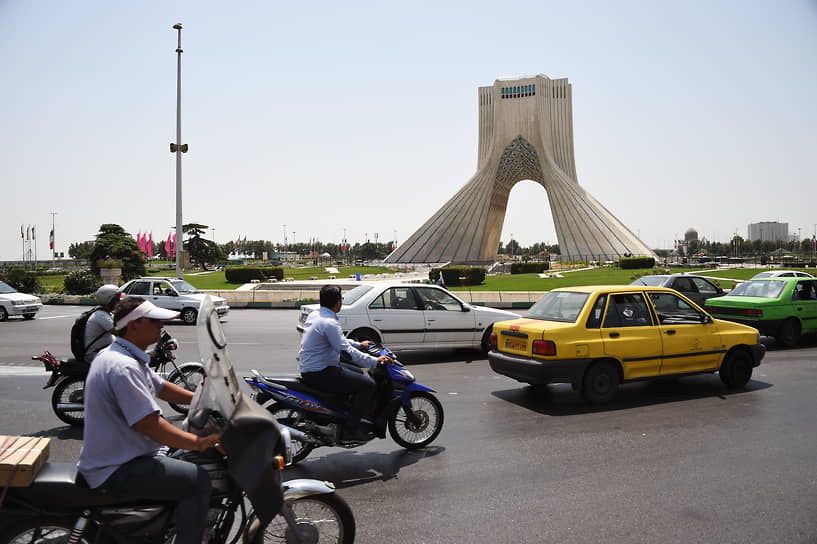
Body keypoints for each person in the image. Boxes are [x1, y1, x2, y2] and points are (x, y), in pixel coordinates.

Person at [78, 297, 221, 544]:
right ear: (133, 325)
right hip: (116, 467)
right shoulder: (123, 366)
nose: (161, 326)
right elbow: (149, 425)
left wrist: (205, 399)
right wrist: (199, 442)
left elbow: (163, 388)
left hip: (125, 455)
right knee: (197, 480)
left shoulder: (125, 355)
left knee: (185, 459)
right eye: (154, 321)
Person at [299, 285, 391, 441]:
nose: (341, 301)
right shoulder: (329, 322)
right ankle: (351, 429)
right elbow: (347, 351)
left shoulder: (317, 315)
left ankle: (341, 412)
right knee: (368, 385)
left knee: (357, 372)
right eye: (341, 298)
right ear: (337, 303)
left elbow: (340, 341)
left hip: (315, 367)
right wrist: (375, 361)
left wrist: (359, 344)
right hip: (320, 372)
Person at [83, 284, 122, 363]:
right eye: (117, 300)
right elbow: (119, 332)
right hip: (94, 354)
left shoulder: (107, 313)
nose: (119, 302)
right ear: (109, 301)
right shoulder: (101, 316)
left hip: (104, 351)